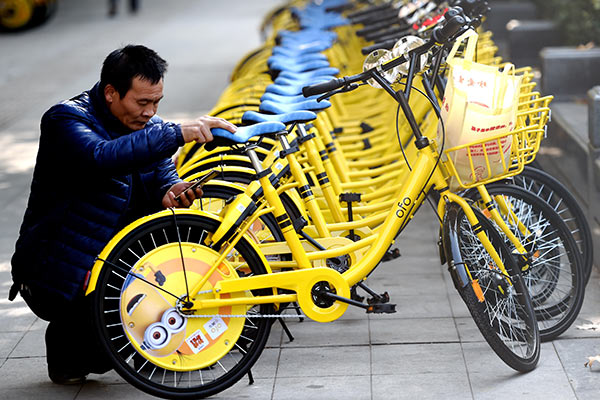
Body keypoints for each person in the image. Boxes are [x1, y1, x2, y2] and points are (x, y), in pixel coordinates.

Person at [8, 44, 237, 385]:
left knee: (182, 259)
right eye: (142, 102)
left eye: (156, 102)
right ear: (111, 93)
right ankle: (69, 346)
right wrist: (175, 133)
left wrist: (173, 192)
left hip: (115, 258)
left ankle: (106, 344)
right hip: (56, 269)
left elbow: (162, 179)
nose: (150, 112)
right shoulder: (64, 120)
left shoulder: (148, 126)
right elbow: (100, 157)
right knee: (106, 348)